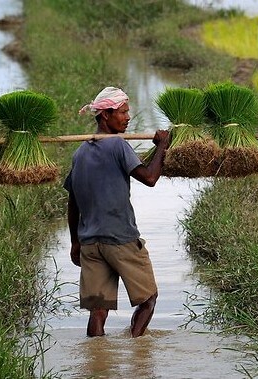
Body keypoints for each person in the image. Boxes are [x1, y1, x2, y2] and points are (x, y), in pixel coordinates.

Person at [64, 86, 171, 338]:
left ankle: (98, 363)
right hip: (120, 239)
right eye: (122, 112)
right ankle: (138, 354)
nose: (128, 117)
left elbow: (73, 203)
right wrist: (163, 145)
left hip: (90, 243)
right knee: (148, 299)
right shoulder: (118, 146)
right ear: (105, 116)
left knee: (98, 311)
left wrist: (75, 242)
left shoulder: (80, 153)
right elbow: (150, 177)